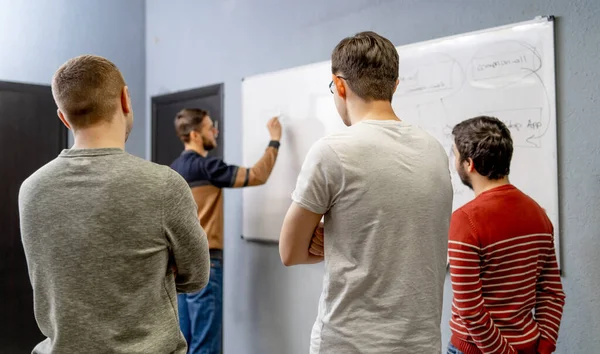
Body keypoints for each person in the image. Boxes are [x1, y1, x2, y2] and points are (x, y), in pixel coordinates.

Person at [18, 55, 211, 354]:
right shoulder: (163, 185)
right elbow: (196, 276)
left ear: (64, 117)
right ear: (125, 99)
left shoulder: (30, 189)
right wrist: (153, 271)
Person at [279, 31, 453, 354]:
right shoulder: (436, 151)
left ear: (340, 85)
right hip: (421, 345)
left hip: (348, 344)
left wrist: (332, 236)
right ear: (395, 85)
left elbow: (290, 251)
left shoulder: (331, 151)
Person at [447, 116, 565, 354]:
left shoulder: (464, 221)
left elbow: (469, 310)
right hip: (528, 347)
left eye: (455, 155)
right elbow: (552, 291)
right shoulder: (538, 214)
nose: (454, 161)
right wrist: (543, 347)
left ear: (469, 164)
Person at [170, 108, 281, 354]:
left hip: (178, 267)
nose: (216, 131)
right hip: (206, 264)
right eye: (211, 127)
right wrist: (275, 140)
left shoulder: (174, 169)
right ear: (196, 135)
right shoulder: (208, 168)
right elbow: (257, 175)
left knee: (184, 343)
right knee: (206, 345)